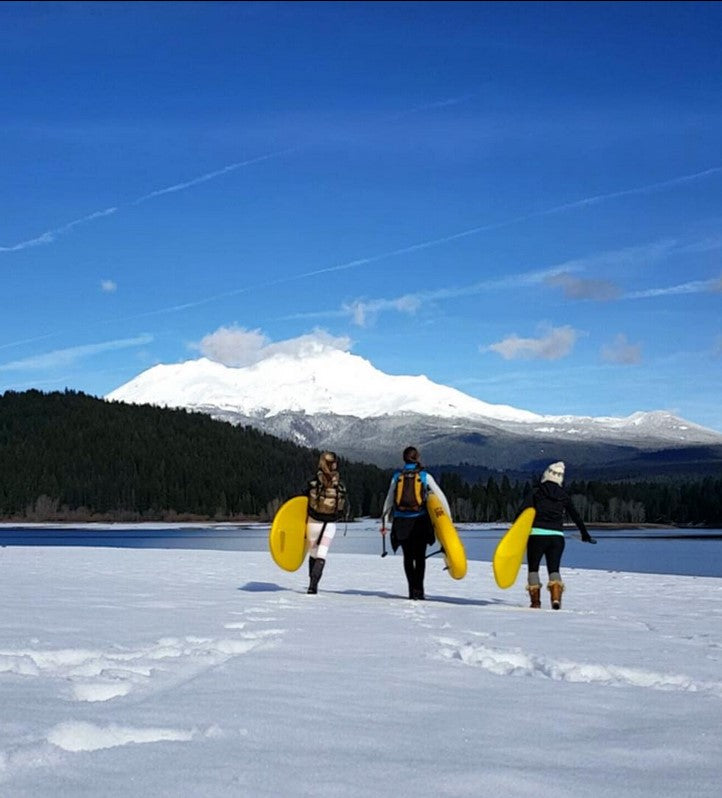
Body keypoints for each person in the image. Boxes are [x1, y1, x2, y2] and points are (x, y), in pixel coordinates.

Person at [519, 461, 596, 610]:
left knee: (533, 568)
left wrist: (516, 530)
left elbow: (522, 512)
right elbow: (575, 516)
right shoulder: (563, 496)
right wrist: (584, 534)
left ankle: (535, 602)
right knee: (554, 569)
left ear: (546, 475)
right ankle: (555, 596)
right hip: (557, 538)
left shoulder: (536, 492)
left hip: (536, 536)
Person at [380, 446, 452, 600]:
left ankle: (411, 591)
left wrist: (384, 521)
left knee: (407, 557)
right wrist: (448, 519)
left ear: (404, 459)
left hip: (401, 523)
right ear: (417, 458)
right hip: (420, 522)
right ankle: (419, 591)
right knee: (420, 558)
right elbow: (440, 497)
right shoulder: (424, 476)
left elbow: (388, 501)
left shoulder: (397, 477)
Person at [305, 451, 347, 595]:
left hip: (313, 522)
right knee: (321, 555)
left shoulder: (314, 481)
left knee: (313, 554)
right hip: (330, 525)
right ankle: (314, 585)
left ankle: (311, 584)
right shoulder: (338, 483)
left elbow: (304, 501)